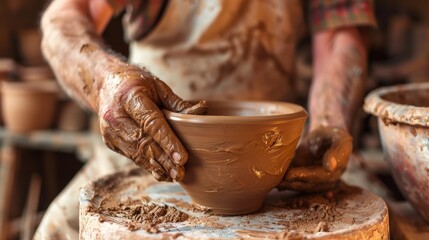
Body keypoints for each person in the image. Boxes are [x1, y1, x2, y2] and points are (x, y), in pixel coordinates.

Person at [35, 0, 376, 239]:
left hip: (279, 155)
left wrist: (329, 121)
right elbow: (62, 18)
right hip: (143, 145)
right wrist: (105, 80)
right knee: (60, 229)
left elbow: (338, 37)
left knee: (381, 224)